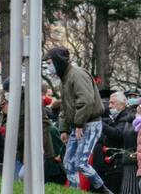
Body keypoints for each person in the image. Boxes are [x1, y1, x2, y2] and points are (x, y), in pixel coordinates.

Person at [50, 46, 110, 192]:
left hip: (89, 123)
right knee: (68, 162)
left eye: (50, 62)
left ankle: (102, 189)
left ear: (58, 61)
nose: (49, 66)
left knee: (81, 163)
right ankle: (74, 191)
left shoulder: (76, 74)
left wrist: (78, 124)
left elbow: (86, 101)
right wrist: (63, 128)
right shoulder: (65, 78)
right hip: (79, 124)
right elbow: (65, 107)